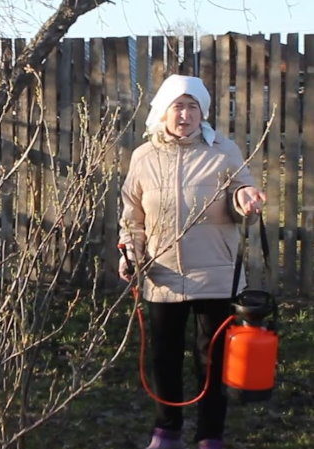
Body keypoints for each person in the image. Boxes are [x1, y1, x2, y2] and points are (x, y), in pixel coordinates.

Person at [118, 75, 266, 449]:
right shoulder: (143, 157)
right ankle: (166, 430)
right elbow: (133, 217)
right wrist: (130, 249)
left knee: (211, 359)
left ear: (203, 113)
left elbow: (240, 191)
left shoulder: (224, 151)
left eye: (192, 107)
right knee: (164, 356)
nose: (184, 114)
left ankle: (209, 435)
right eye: (177, 106)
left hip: (216, 275)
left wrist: (245, 198)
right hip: (162, 276)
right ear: (163, 111)